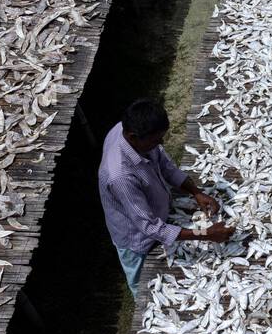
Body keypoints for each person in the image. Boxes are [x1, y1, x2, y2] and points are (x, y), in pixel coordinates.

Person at [98, 99, 234, 297]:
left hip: (154, 210)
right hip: (135, 237)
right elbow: (149, 227)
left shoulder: (128, 131)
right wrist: (205, 234)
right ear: (133, 137)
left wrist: (196, 192)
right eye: (155, 140)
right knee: (141, 285)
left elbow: (164, 164)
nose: (160, 144)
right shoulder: (120, 176)